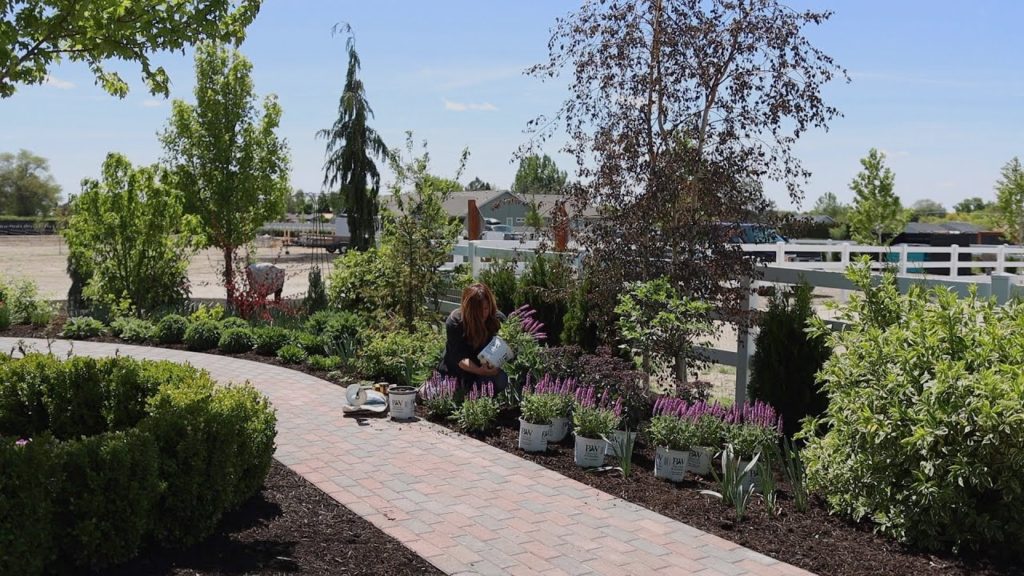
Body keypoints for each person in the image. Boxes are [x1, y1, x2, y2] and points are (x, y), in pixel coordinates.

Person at [439, 283, 509, 393]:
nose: (483, 313)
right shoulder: (455, 322)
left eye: (486, 308)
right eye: (477, 310)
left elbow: (504, 347)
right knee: (442, 392)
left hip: (487, 371)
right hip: (457, 371)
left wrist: (495, 366)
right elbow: (460, 359)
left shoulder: (497, 319)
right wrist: (480, 371)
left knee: (501, 380)